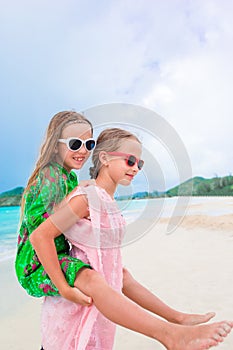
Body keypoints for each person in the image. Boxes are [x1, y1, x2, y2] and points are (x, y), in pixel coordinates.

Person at [30, 128, 233, 350]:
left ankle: (176, 327)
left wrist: (176, 316)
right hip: (74, 318)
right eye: (130, 161)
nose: (136, 168)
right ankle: (172, 336)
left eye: (140, 164)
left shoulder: (105, 201)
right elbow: (41, 235)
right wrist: (64, 286)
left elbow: (119, 275)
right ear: (104, 158)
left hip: (99, 315)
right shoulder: (87, 198)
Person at [15, 110, 95, 305]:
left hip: (56, 254)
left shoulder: (70, 177)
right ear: (55, 146)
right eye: (75, 144)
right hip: (34, 266)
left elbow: (66, 218)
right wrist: (64, 289)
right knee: (93, 279)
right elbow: (37, 224)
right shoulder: (51, 175)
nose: (83, 151)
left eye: (89, 144)